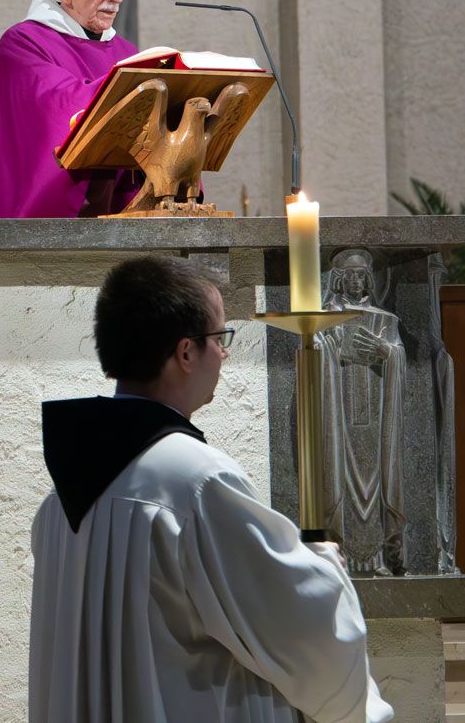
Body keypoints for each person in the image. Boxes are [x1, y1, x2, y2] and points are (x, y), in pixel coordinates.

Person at [31, 255, 392, 723]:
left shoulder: (61, 493)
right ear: (186, 352)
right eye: (221, 339)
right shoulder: (197, 482)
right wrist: (323, 564)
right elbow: (302, 632)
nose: (224, 355)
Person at [0, 0, 144, 218]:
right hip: (46, 222)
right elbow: (57, 109)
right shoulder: (24, 42)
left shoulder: (126, 53)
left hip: (121, 216)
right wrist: (136, 86)